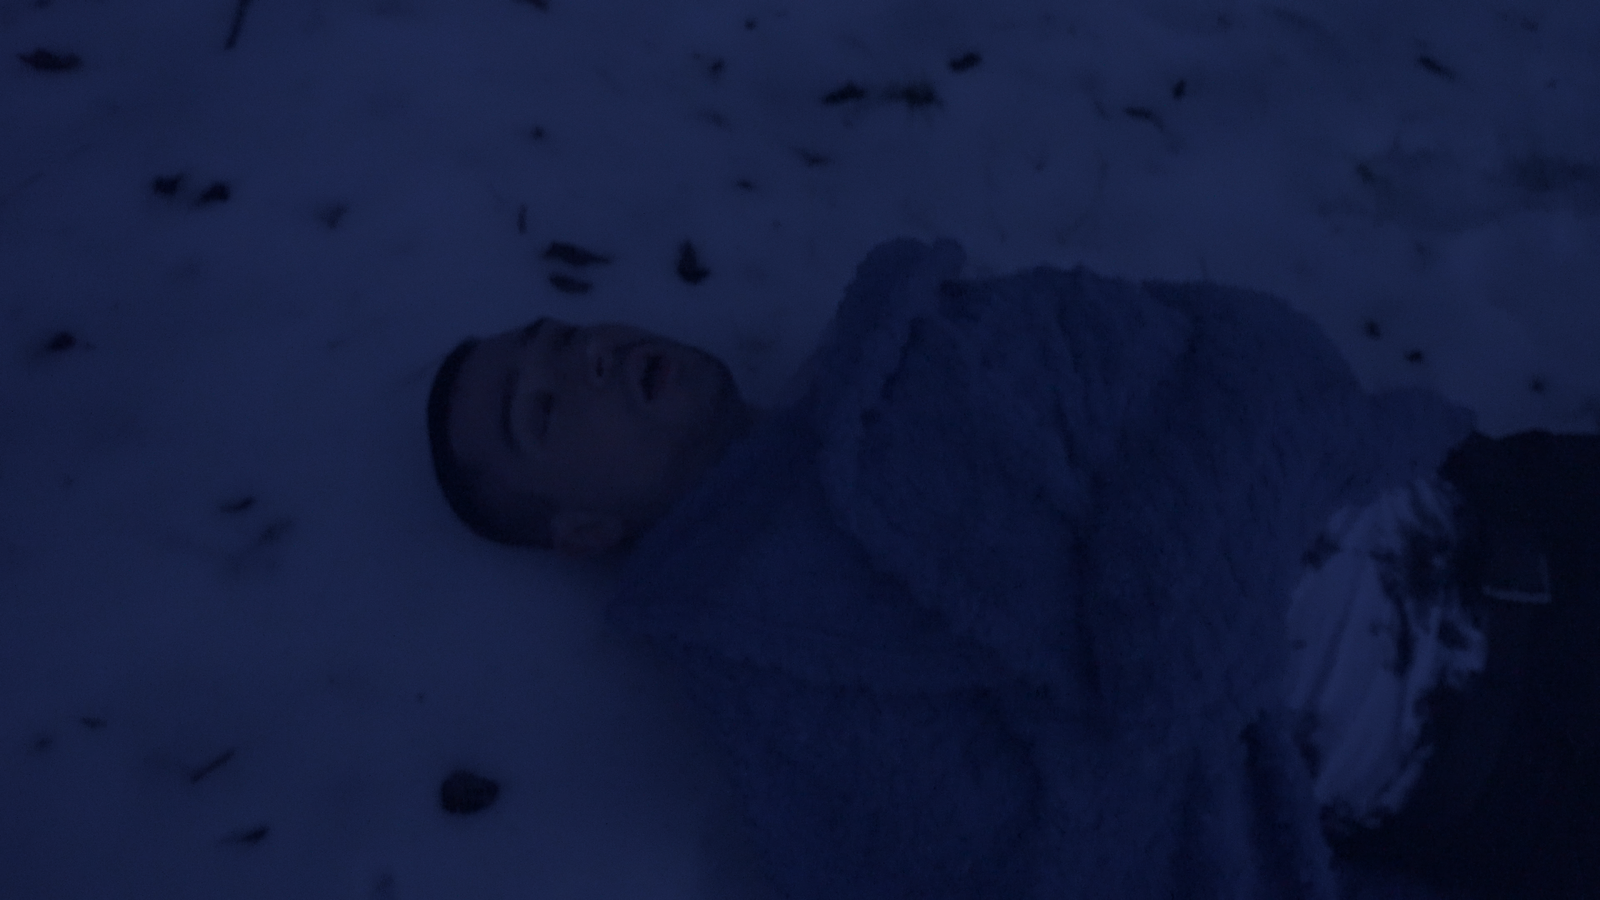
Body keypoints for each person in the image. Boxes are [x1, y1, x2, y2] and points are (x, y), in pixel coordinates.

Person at [427, 238, 1597, 899]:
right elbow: (1056, 862)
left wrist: (1167, 606)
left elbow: (1253, 352)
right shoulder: (781, 690)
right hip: (1507, 767)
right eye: (542, 408)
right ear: (582, 531)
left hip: (1521, 501)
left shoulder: (924, 334)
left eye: (561, 337)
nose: (584, 359)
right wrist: (1176, 610)